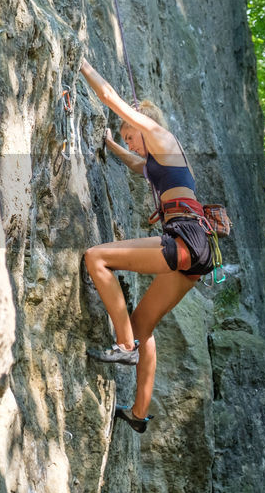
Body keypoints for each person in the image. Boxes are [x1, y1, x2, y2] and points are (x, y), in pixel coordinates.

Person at [78, 57, 217, 434]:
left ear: (141, 124)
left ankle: (125, 348)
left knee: (96, 258)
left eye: (127, 133)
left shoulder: (158, 133)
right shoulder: (161, 157)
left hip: (184, 238)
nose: (128, 139)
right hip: (198, 249)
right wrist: (110, 145)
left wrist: (82, 63)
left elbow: (110, 96)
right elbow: (139, 166)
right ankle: (138, 414)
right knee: (143, 325)